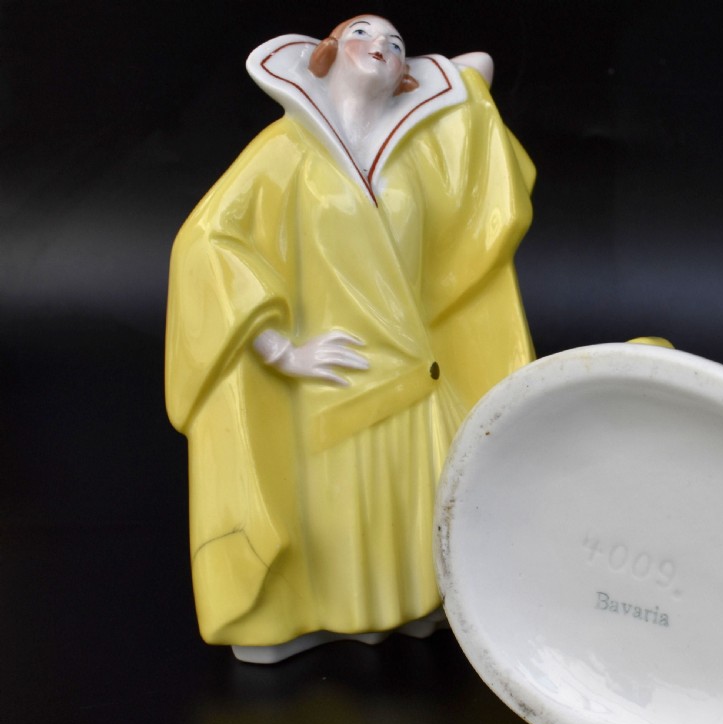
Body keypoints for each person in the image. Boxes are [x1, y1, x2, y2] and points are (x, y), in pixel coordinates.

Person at [165, 15, 536, 662]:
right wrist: (279, 349)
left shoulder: (415, 155)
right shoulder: (284, 150)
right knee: (333, 512)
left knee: (411, 504)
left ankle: (413, 609)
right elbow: (208, 243)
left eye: (396, 45)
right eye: (363, 33)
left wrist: (435, 83)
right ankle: (316, 616)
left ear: (405, 76)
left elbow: (477, 69)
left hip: (412, 367)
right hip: (330, 375)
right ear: (327, 54)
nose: (382, 46)